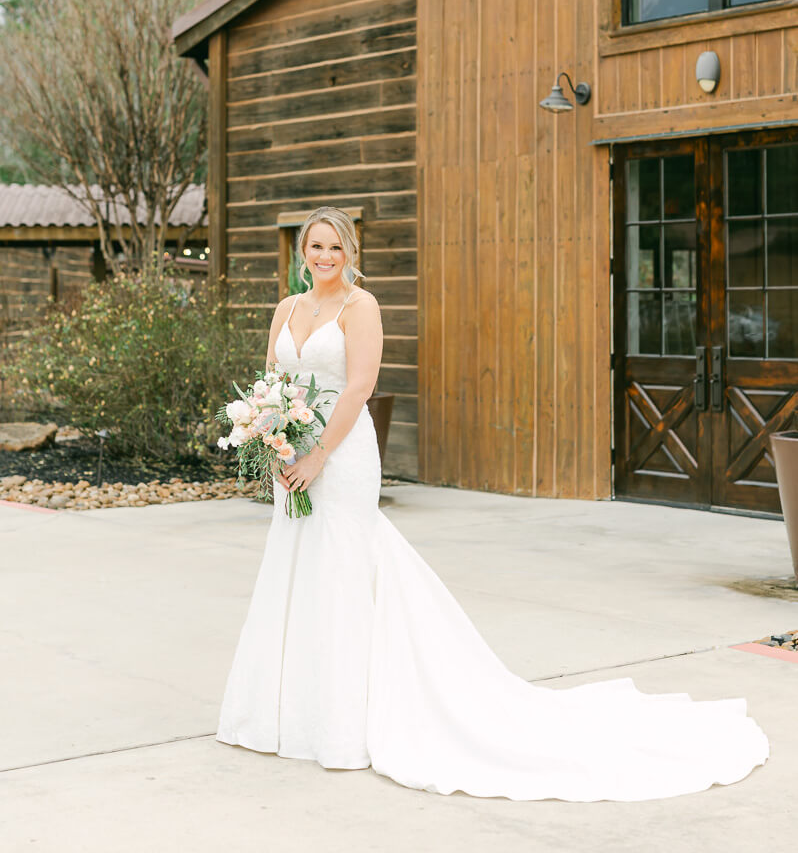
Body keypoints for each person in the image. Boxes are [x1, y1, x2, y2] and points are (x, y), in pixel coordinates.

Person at [215, 205, 768, 801]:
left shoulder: (361, 307)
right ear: (302, 252)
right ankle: (284, 711)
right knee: (294, 567)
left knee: (343, 570)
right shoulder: (287, 309)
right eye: (315, 247)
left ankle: (340, 724)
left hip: (339, 454)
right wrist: (272, 437)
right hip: (287, 452)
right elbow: (272, 380)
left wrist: (319, 453)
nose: (325, 258)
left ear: (351, 253)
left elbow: (359, 386)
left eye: (336, 248)